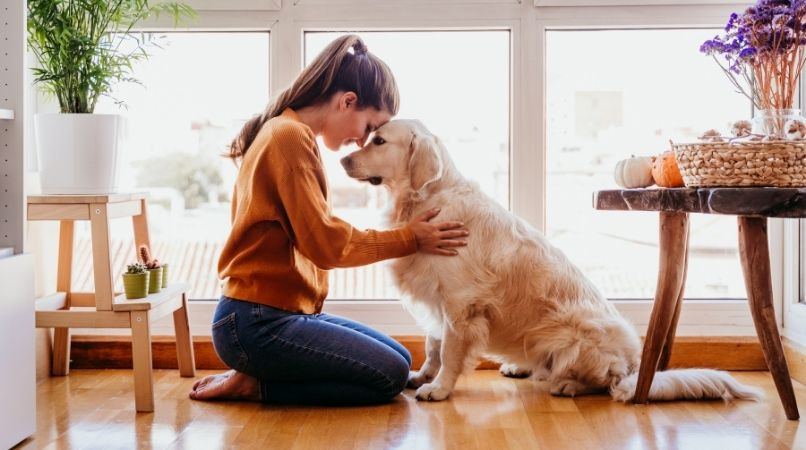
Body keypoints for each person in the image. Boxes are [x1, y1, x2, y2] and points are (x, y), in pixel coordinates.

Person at [188, 35, 468, 405]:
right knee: (389, 376)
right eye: (369, 127)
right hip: (255, 323)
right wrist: (410, 238)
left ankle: (259, 371)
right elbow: (326, 245)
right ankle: (257, 384)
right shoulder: (288, 137)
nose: (361, 141)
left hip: (274, 315)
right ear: (347, 101)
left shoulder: (288, 131)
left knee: (401, 359)